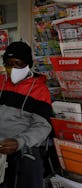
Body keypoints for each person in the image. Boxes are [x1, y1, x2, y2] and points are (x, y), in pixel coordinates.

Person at [0, 41, 52, 188]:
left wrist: (20, 142)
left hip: (21, 144)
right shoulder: (1, 82)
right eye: (8, 64)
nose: (12, 69)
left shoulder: (40, 91)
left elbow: (42, 126)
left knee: (30, 164)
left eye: (17, 64)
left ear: (27, 65)